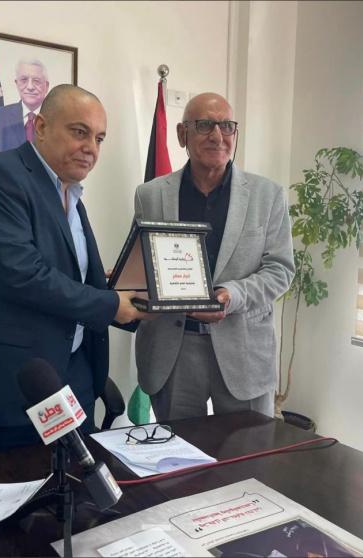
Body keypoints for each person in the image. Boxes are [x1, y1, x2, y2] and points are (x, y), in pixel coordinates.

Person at [0, 85, 146, 462]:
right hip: (4, 390)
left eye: (99, 138)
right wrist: (110, 304)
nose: (91, 148)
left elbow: (64, 274)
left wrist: (124, 293)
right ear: (41, 127)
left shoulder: (71, 194)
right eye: (79, 132)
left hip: (68, 382)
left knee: (74, 489)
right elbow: (23, 275)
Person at [134, 92, 295, 421]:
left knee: (249, 449)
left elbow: (280, 270)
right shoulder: (150, 194)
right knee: (177, 449)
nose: (218, 136)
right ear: (182, 134)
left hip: (244, 350)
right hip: (174, 349)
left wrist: (232, 295)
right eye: (205, 125)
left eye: (227, 126)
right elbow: (143, 262)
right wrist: (128, 279)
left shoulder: (268, 195)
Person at [0, 59, 50, 153]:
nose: (30, 87)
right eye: (24, 80)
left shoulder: (56, 117)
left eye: (36, 81)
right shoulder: (1, 116)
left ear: (46, 86)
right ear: (17, 83)